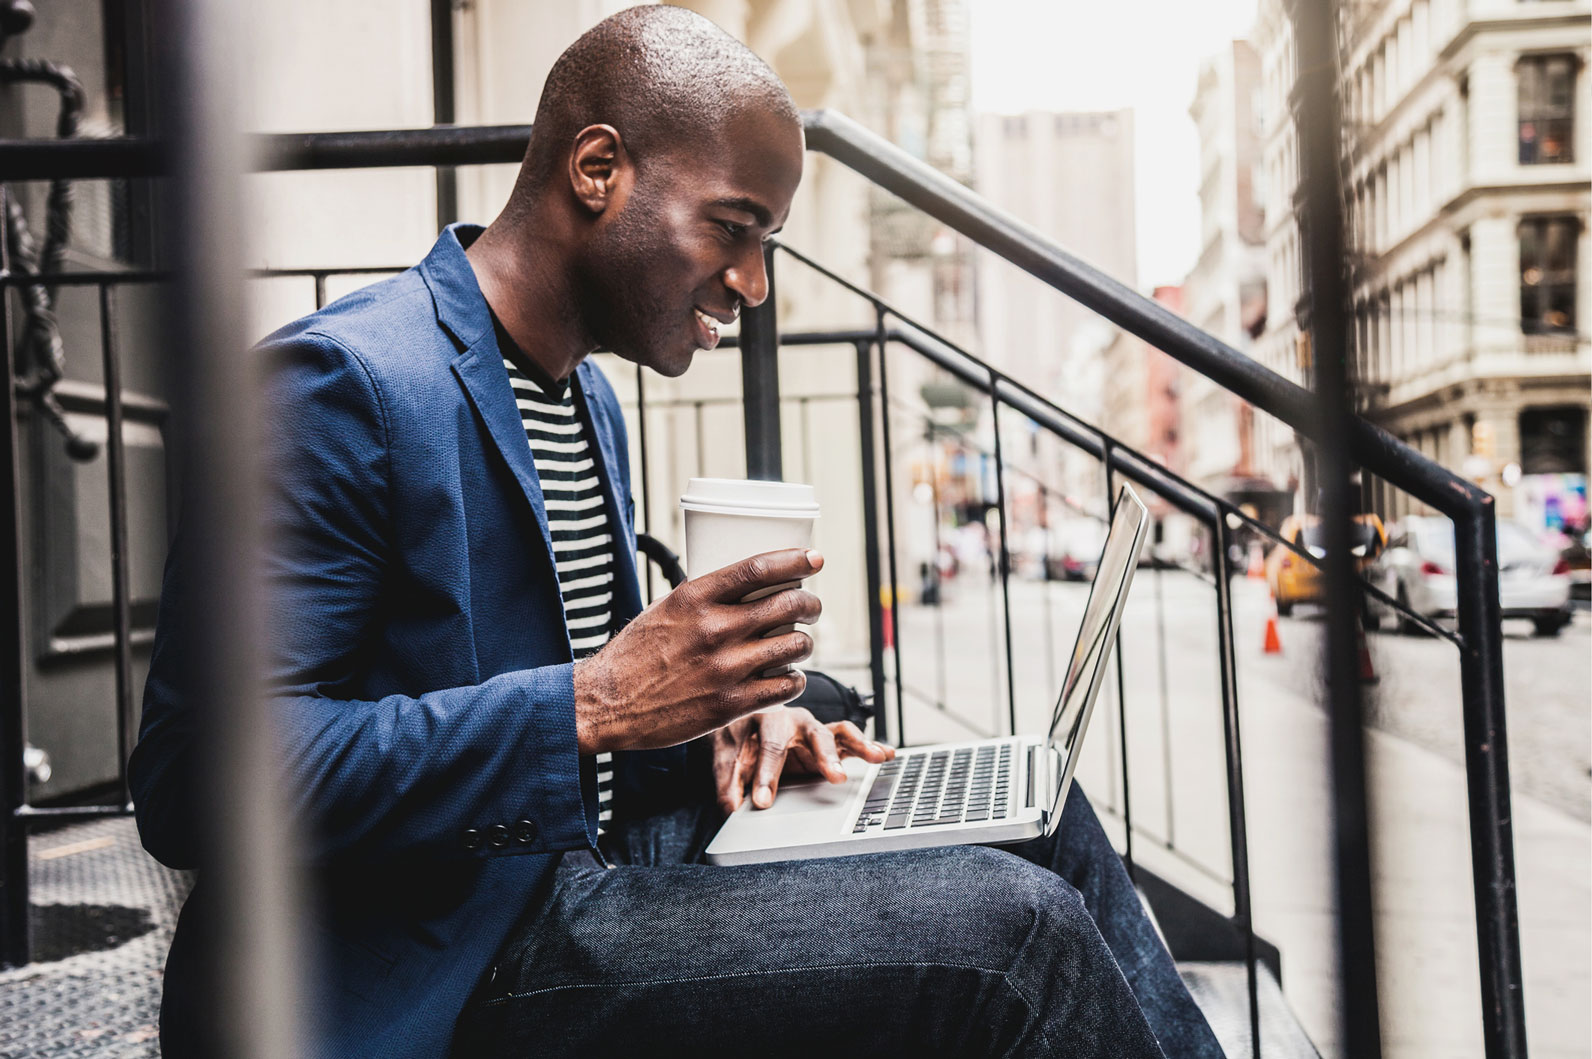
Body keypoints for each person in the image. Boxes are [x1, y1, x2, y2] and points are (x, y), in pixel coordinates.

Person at [130, 7, 1223, 1058]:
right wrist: (599, 702)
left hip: (589, 863)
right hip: (451, 956)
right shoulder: (340, 385)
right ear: (597, 170)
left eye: (766, 243)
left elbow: (587, 717)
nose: (751, 283)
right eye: (733, 230)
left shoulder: (581, 398)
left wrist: (718, 734)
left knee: (1040, 811)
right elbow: (195, 783)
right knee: (1012, 937)